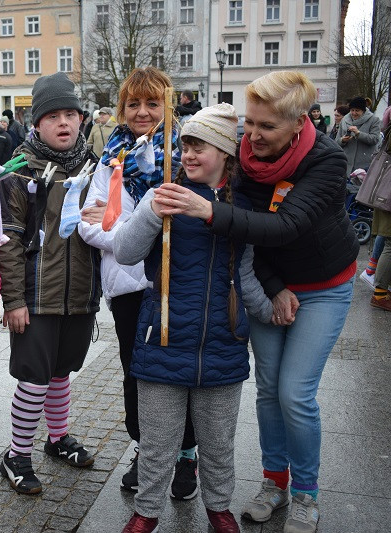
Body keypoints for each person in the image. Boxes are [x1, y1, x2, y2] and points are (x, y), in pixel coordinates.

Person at [153, 70, 358, 533]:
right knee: (268, 390)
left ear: (299, 123)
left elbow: (285, 227)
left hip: (325, 283)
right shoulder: (243, 157)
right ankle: (273, 483)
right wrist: (273, 286)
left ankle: (305, 494)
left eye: (267, 126)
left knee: (295, 393)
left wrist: (209, 211)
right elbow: (248, 239)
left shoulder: (326, 160)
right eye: (250, 123)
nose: (254, 136)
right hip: (270, 281)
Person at [116, 103, 273, 533]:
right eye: (184, 145)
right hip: (163, 340)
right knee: (157, 444)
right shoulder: (161, 193)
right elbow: (126, 253)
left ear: (224, 152)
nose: (187, 154)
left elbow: (244, 271)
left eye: (199, 146)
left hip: (222, 344)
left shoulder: (239, 207)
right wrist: (150, 213)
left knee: (219, 444)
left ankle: (218, 509)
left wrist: (266, 308)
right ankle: (146, 512)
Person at [78, 66, 197, 500]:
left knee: (178, 374)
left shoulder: (184, 156)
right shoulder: (112, 158)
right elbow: (87, 225)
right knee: (136, 373)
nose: (142, 112)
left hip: (177, 285)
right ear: (122, 108)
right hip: (128, 288)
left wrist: (122, 224)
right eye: (133, 104)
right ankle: (147, 452)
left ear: (167, 106)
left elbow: (184, 227)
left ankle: (186, 456)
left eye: (152, 103)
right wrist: (132, 228)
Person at [0, 72, 101, 495]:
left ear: (81, 119)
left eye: (70, 114)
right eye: (53, 115)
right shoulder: (19, 172)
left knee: (61, 373)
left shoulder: (96, 168)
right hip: (36, 297)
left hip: (80, 294)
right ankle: (17, 454)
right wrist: (13, 300)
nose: (63, 123)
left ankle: (57, 439)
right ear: (36, 123)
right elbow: (7, 241)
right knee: (34, 377)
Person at [338, 96, 381, 175]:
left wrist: (358, 134)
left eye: (357, 110)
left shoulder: (374, 120)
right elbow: (336, 141)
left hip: (364, 166)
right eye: (352, 110)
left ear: (363, 111)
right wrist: (342, 140)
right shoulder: (344, 120)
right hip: (346, 165)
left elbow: (375, 139)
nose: (354, 113)